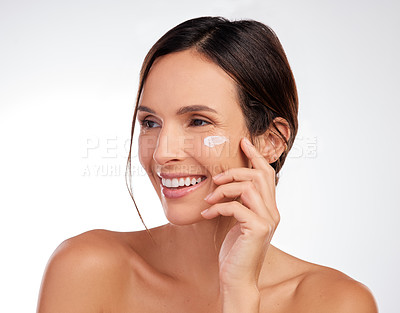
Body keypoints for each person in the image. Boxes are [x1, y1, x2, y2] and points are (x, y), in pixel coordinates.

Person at [36, 16, 378, 313]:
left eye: (198, 121)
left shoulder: (336, 302)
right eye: (150, 123)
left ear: (271, 140)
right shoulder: (85, 270)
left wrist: (240, 293)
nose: (162, 154)